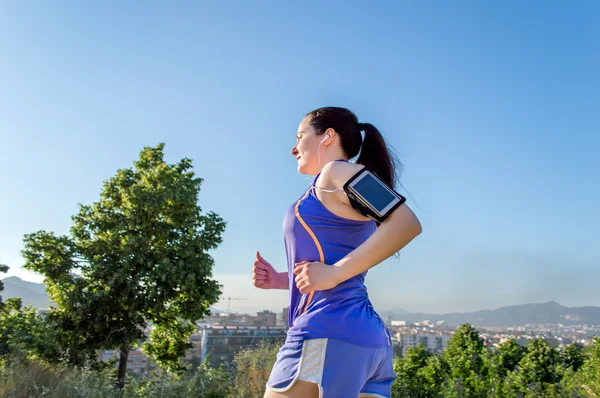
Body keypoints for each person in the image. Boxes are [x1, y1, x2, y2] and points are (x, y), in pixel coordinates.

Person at [253, 106, 422, 398]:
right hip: (369, 343)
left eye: (300, 136)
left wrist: (334, 273)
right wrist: (282, 280)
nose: (293, 148)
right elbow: (332, 260)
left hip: (327, 332)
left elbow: (407, 222)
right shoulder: (334, 188)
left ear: (327, 136)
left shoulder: (335, 172)